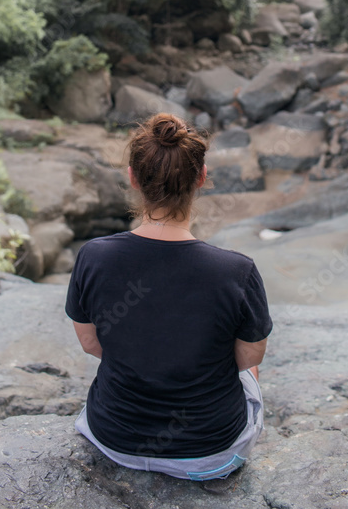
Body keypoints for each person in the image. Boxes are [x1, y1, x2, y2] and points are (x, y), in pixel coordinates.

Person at [65, 112, 273, 482]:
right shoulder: (236, 271)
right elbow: (248, 358)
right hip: (211, 454)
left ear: (132, 178)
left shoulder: (93, 256)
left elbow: (90, 343)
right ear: (202, 178)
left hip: (113, 439)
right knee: (249, 367)